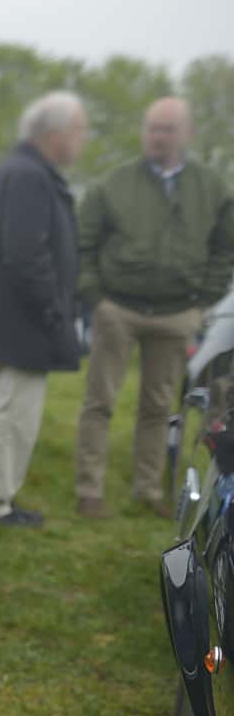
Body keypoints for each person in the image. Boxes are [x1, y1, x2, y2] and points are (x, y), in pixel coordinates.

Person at [74, 97, 234, 518]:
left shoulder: (213, 188)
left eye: (166, 129)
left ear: (187, 133)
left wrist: (202, 304)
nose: (156, 137)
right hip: (118, 309)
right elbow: (84, 243)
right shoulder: (113, 183)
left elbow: (224, 249)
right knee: (99, 400)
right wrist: (97, 299)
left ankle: (148, 490)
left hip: (177, 313)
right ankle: (88, 489)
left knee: (159, 406)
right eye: (151, 128)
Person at [0, 91, 89, 527]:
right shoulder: (28, 177)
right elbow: (25, 254)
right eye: (78, 130)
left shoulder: (25, 172)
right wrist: (53, 310)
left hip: (18, 318)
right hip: (24, 320)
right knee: (15, 415)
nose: (81, 140)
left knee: (14, 411)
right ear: (52, 133)